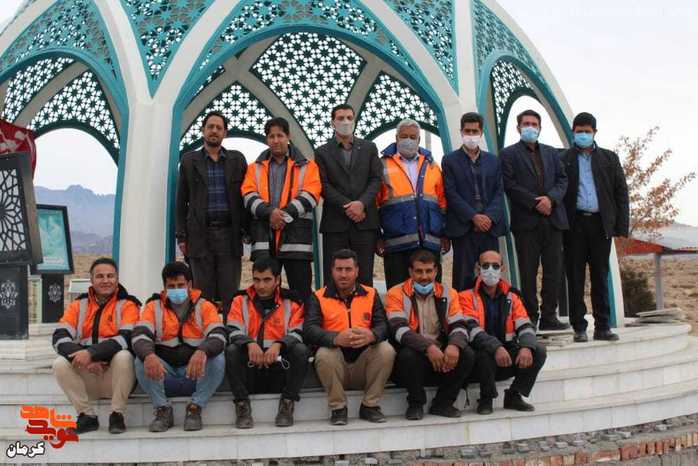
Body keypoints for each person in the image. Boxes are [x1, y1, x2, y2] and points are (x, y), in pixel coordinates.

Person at [132, 262, 227, 432]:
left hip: (196, 375)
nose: (176, 289)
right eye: (171, 286)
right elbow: (140, 335)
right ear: (164, 287)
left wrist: (203, 351)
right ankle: (162, 409)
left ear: (189, 284)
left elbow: (219, 336)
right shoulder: (153, 307)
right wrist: (149, 355)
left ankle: (195, 408)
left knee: (218, 359)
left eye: (180, 285)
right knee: (141, 361)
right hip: (163, 375)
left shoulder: (205, 306)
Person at [304, 249, 395, 425]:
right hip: (336, 367)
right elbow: (309, 329)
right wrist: (335, 338)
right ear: (332, 271)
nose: (343, 274)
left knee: (386, 350)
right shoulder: (318, 297)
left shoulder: (371, 294)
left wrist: (372, 335)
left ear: (357, 271)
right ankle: (338, 408)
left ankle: (369, 406)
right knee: (324, 354)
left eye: (348, 269)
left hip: (364, 366)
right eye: (339, 269)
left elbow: (384, 325)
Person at [561, 112, 629, 342]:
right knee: (575, 277)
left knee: (600, 276)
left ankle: (603, 326)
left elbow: (621, 192)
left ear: (595, 132)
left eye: (587, 131)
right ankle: (579, 327)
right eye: (579, 131)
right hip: (574, 225)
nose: (583, 135)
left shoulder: (609, 158)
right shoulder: (564, 159)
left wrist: (620, 227)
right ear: (573, 132)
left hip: (600, 225)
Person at [52, 257, 140, 434]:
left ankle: (117, 415)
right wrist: (87, 359)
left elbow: (126, 338)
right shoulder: (78, 305)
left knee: (124, 356)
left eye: (110, 276)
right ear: (91, 280)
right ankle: (86, 416)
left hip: (114, 378)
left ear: (117, 279)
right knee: (59, 364)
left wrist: (91, 354)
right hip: (87, 377)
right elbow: (59, 338)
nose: (105, 280)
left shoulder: (129, 305)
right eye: (100, 276)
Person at [500, 109, 569, 330]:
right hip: (527, 222)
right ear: (518, 127)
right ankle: (530, 315)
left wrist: (551, 199)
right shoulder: (508, 154)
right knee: (528, 272)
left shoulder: (551, 153)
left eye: (534, 124)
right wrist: (535, 202)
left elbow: (562, 180)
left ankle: (549, 316)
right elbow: (509, 184)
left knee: (553, 271)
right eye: (526, 123)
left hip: (553, 220)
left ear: (540, 128)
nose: (530, 127)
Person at [385, 249, 475, 420]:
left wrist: (454, 346)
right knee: (407, 355)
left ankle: (443, 403)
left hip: (442, 358)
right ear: (410, 272)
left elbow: (459, 325)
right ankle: (416, 404)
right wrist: (428, 348)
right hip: (414, 356)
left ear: (436, 271)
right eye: (419, 271)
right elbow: (399, 330)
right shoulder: (395, 293)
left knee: (467, 354)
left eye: (428, 271)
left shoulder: (449, 293)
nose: (424, 276)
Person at [241, 117, 322, 301]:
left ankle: (303, 321)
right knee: (265, 294)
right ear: (266, 139)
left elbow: (311, 194)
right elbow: (248, 194)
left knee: (301, 294)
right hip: (264, 241)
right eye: (271, 136)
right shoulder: (254, 168)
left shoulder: (308, 166)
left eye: (280, 135)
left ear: (288, 136)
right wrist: (270, 213)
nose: (276, 140)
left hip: (296, 241)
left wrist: (282, 216)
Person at [225, 256, 309, 428]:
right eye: (256, 280)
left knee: (301, 350)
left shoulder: (292, 302)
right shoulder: (239, 300)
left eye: (267, 280)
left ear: (277, 280)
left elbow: (299, 331)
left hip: (280, 367)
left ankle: (287, 404)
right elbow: (232, 329)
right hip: (250, 367)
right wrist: (249, 343)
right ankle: (242, 406)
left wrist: (279, 345)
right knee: (232, 350)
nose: (261, 286)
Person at [460, 250, 546, 415]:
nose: (490, 270)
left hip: (505, 357)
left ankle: (514, 395)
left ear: (502, 268)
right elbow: (471, 329)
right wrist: (496, 347)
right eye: (485, 265)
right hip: (479, 360)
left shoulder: (512, 297)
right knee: (484, 354)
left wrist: (526, 346)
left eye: (495, 266)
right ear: (478, 269)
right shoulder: (465, 296)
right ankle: (486, 399)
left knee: (539, 350)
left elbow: (525, 324)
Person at [175, 110, 248, 306]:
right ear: (203, 130)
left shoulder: (237, 160)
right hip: (199, 235)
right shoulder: (189, 161)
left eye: (219, 128)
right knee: (202, 295)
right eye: (210, 127)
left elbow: (245, 197)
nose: (214, 131)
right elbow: (181, 201)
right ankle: (206, 325)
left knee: (230, 293)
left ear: (225, 133)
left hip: (229, 235)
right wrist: (181, 236)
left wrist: (246, 230)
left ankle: (229, 325)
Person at [376, 118, 449, 289]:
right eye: (404, 136)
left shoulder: (432, 166)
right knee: (398, 294)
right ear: (396, 138)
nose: (408, 140)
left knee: (431, 294)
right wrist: (377, 237)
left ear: (419, 139)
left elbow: (442, 203)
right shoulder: (382, 165)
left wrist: (445, 234)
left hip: (429, 242)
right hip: (396, 245)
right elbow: (374, 205)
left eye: (412, 137)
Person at [315, 103, 382, 287]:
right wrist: (349, 207)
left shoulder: (369, 148)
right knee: (334, 279)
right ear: (332, 123)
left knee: (364, 277)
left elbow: (376, 179)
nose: (345, 122)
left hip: (364, 222)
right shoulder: (322, 152)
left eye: (349, 118)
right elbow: (323, 185)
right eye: (341, 118)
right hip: (335, 224)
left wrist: (361, 204)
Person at [442, 112, 507, 291]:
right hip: (464, 228)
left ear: (481, 132)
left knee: (490, 276)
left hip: (489, 228)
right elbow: (451, 193)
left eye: (475, 131)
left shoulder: (493, 161)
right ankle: (462, 309)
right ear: (461, 132)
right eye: (467, 131)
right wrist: (473, 217)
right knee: (463, 277)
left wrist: (488, 218)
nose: (471, 135)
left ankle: (489, 307)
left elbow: (499, 192)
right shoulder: (450, 160)